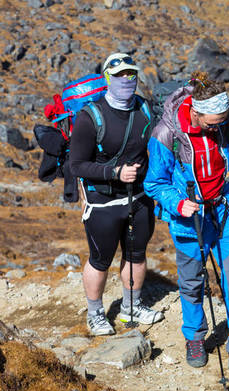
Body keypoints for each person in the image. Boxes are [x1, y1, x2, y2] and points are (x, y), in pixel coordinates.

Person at [144, 71, 229, 378]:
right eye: (213, 122)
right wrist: (179, 203)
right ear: (195, 112)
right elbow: (154, 183)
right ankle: (195, 338)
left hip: (227, 211)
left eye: (222, 121)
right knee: (192, 280)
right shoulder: (165, 134)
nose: (218, 127)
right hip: (189, 217)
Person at [70, 52, 164, 336]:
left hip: (139, 198)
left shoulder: (144, 108)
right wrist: (115, 173)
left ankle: (131, 307)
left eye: (131, 74)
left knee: (136, 254)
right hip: (103, 201)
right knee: (100, 259)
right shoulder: (90, 117)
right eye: (120, 74)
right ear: (107, 78)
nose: (126, 79)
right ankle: (95, 313)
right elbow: (76, 165)